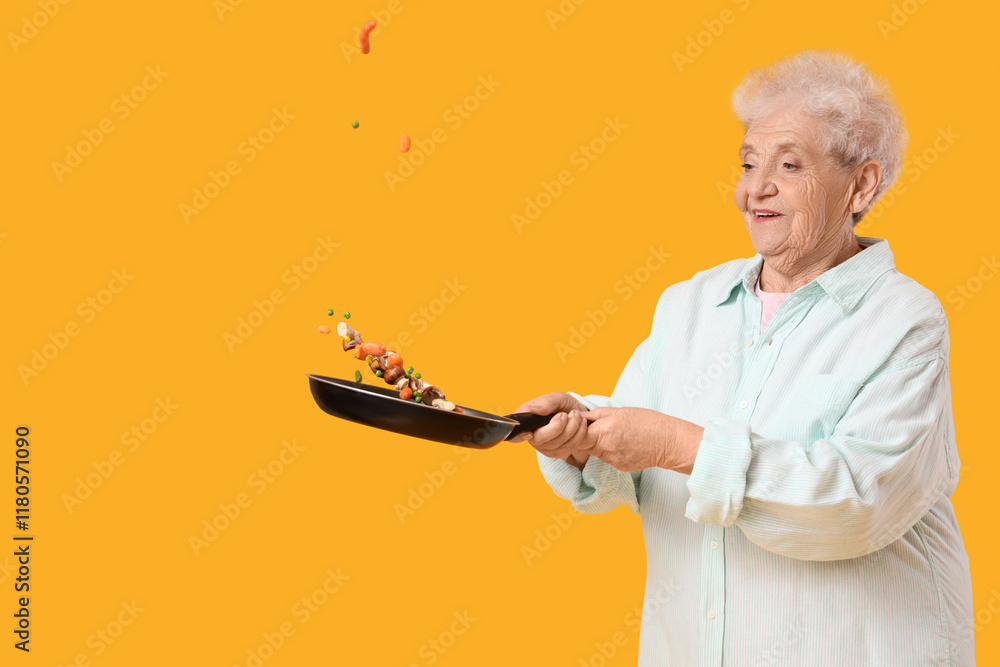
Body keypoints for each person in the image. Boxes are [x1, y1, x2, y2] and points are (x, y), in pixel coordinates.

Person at [512, 51, 974, 665]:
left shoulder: (904, 320)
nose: (756, 188)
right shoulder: (690, 303)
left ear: (861, 185)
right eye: (749, 163)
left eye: (789, 165)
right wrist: (579, 438)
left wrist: (677, 446)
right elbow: (636, 463)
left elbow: (858, 504)